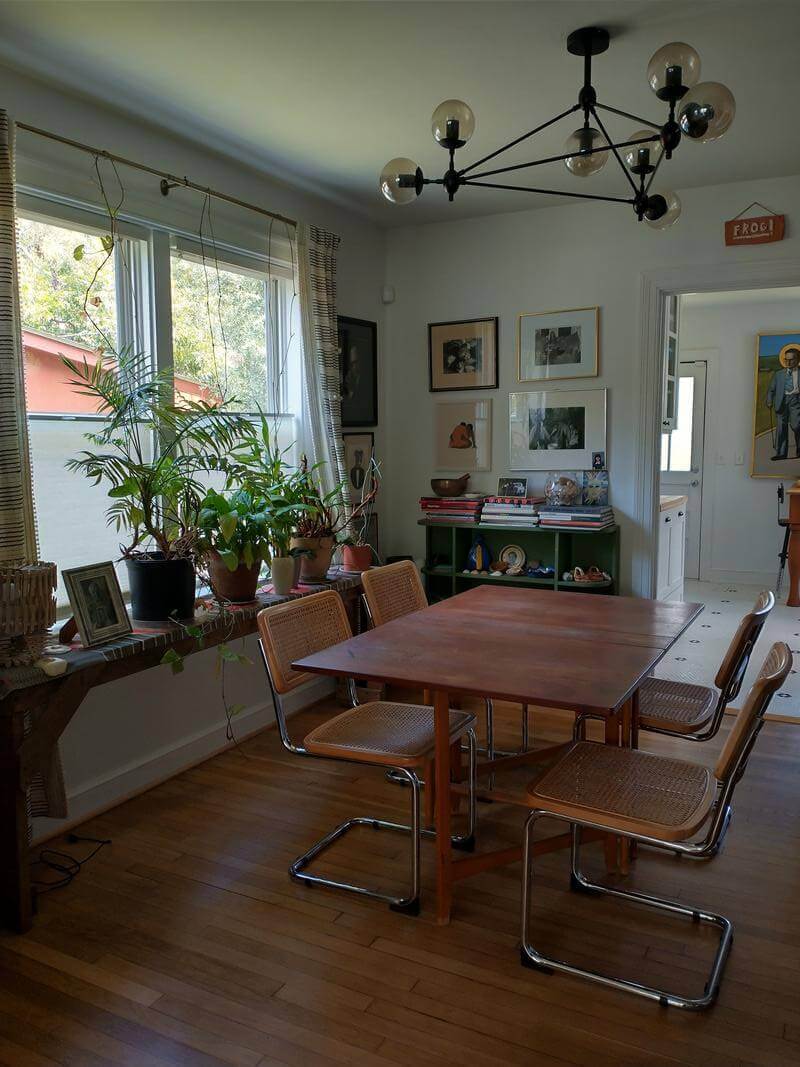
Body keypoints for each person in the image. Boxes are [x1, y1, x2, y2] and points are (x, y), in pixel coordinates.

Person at [766, 347, 800, 460]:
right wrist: (769, 400)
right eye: (786, 359)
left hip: (796, 401)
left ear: (797, 360)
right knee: (781, 428)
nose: (788, 362)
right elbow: (771, 389)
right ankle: (781, 453)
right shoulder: (779, 374)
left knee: (796, 425)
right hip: (781, 402)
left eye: (791, 360)